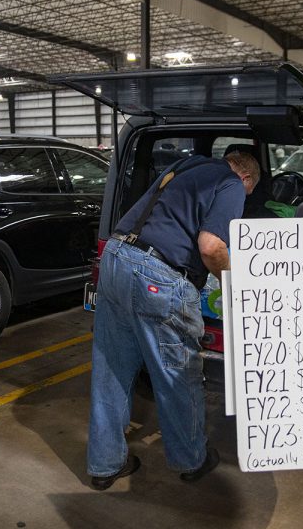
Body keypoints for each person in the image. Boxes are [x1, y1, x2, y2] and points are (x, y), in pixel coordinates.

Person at [87, 150, 261, 490]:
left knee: (110, 372)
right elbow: (211, 247)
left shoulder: (185, 166)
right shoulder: (231, 184)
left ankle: (104, 465)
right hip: (157, 277)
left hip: (116, 258)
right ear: (247, 179)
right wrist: (236, 280)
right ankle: (191, 460)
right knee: (177, 375)